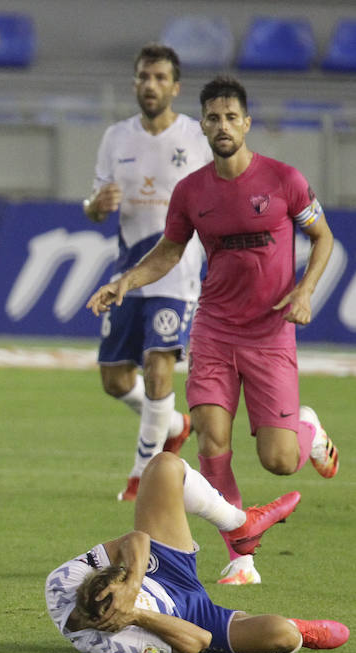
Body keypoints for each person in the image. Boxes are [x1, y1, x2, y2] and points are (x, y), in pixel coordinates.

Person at [87, 75, 340, 587]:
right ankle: (241, 555)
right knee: (211, 437)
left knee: (279, 461)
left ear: (246, 123)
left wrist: (307, 290)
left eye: (231, 117)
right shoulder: (191, 192)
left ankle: (307, 430)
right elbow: (170, 251)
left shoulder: (284, 180)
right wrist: (126, 281)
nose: (222, 125)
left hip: (270, 334)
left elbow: (323, 237)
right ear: (201, 125)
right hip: (215, 330)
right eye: (213, 118)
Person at [46, 451, 348, 653]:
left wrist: (134, 582)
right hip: (184, 615)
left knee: (165, 466)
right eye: (127, 603)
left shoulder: (63, 582)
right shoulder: (114, 643)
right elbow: (198, 640)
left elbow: (135, 538)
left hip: (159, 570)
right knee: (282, 635)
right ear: (113, 622)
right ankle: (302, 629)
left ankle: (240, 524)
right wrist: (139, 614)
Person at [82, 44, 211, 502]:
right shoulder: (116, 137)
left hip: (177, 271)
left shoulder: (197, 137)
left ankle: (142, 475)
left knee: (159, 367)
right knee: (114, 379)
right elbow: (96, 206)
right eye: (143, 77)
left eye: (159, 78)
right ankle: (174, 425)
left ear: (175, 87)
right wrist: (94, 206)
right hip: (129, 271)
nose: (150, 85)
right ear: (135, 82)